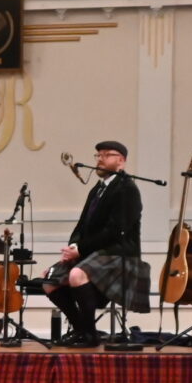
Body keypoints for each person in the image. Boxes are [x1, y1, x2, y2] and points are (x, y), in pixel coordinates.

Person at [46, 139, 146, 347]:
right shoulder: (97, 189)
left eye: (106, 155)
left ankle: (90, 336)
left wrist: (81, 249)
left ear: (121, 161)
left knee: (76, 274)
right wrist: (74, 246)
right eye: (98, 155)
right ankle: (81, 329)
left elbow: (115, 231)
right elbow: (82, 225)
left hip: (119, 253)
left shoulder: (127, 189)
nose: (100, 159)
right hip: (94, 252)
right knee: (49, 280)